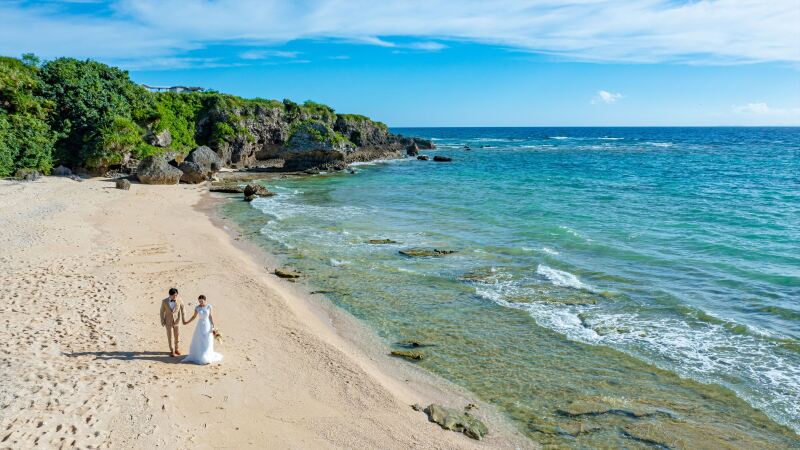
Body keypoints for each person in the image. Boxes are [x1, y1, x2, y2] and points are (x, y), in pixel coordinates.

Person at [182, 295, 223, 365]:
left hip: (207, 325)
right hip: (200, 326)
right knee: (200, 340)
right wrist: (187, 322)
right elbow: (194, 316)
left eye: (202, 301)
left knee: (207, 340)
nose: (200, 302)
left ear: (205, 300)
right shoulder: (197, 308)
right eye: (199, 301)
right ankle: (200, 356)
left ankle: (207, 355)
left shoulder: (209, 306)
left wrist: (213, 325)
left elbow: (210, 316)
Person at [160, 288, 185, 357]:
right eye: (174, 295)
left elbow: (183, 309)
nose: (175, 297)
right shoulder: (164, 301)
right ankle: (172, 350)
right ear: (170, 295)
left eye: (176, 295)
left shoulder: (179, 300)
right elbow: (162, 311)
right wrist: (162, 320)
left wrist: (183, 318)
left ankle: (177, 349)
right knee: (170, 336)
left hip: (177, 321)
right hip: (168, 322)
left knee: (177, 335)